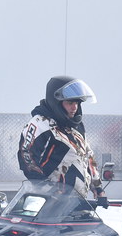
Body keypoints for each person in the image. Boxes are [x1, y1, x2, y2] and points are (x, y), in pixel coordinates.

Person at [17, 76, 107, 206]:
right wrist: (46, 190)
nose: (74, 107)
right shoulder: (41, 124)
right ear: (57, 102)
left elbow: (88, 156)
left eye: (77, 103)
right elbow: (27, 157)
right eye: (70, 103)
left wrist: (98, 188)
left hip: (77, 201)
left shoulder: (76, 126)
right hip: (49, 202)